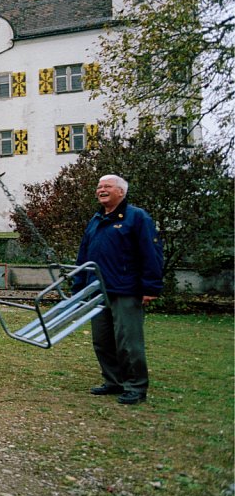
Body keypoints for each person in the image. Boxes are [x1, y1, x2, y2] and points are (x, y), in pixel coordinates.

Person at [74, 174, 163, 406]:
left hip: (126, 289)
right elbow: (83, 257)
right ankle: (113, 381)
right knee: (102, 340)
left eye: (107, 187)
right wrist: (78, 286)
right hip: (98, 291)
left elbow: (151, 253)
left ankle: (135, 386)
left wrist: (150, 287)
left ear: (121, 192)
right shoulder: (95, 220)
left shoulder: (136, 217)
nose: (101, 190)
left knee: (127, 341)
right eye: (99, 187)